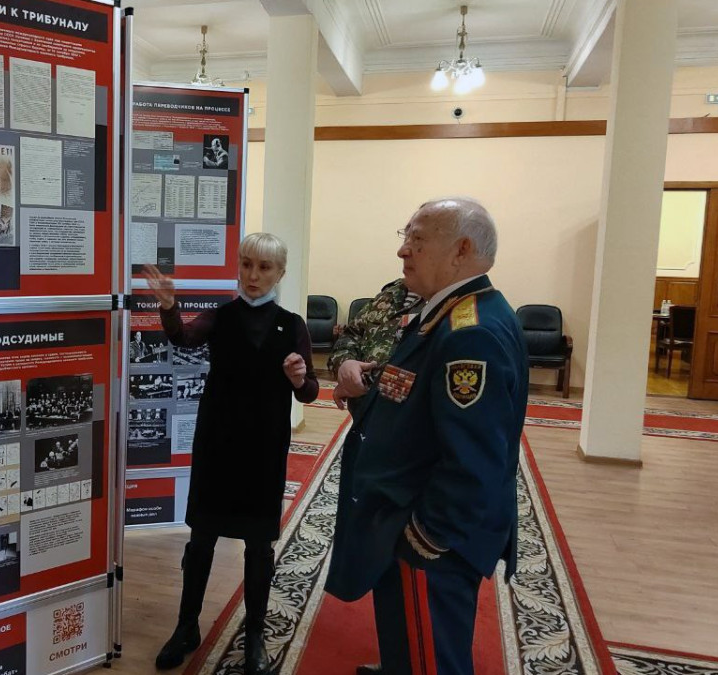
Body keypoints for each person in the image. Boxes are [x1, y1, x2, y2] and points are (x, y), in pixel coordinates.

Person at [324, 198, 528, 675]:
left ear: (461, 250)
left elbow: (474, 463)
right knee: (408, 647)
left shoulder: (470, 332)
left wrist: (423, 539)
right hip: (407, 516)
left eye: (417, 239)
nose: (403, 251)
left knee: (430, 658)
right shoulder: (446, 313)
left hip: (428, 542)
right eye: (406, 237)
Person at [144, 232, 319, 674]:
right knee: (201, 539)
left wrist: (299, 379)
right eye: (246, 264)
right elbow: (183, 337)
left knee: (258, 547)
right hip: (217, 445)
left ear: (280, 272)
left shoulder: (292, 325)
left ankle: (255, 633)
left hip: (263, 450)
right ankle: (186, 627)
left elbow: (311, 391)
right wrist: (169, 306)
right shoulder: (221, 316)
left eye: (264, 267)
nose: (253, 275)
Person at [328, 279, 424, 416]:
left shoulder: (446, 303)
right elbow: (351, 334)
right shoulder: (391, 292)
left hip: (409, 417)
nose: (402, 257)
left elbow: (427, 372)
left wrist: (363, 385)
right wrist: (345, 365)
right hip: (363, 413)